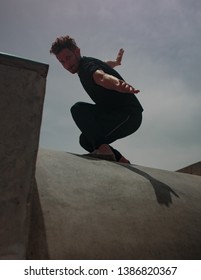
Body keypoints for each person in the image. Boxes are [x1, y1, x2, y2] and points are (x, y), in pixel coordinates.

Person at [50, 35, 143, 163]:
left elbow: (101, 77)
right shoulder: (88, 63)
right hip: (113, 113)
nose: (67, 65)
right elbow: (104, 65)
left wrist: (118, 84)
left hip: (128, 115)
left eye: (68, 58)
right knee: (86, 140)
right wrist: (115, 63)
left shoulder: (86, 68)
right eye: (62, 62)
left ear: (77, 51)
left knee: (78, 109)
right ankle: (119, 159)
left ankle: (104, 151)